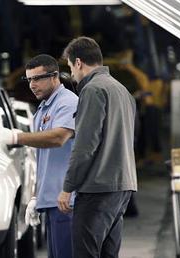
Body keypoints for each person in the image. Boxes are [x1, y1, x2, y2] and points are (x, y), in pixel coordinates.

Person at [0, 54, 78, 258]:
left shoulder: (68, 102)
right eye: (29, 79)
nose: (32, 85)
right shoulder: (43, 109)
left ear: (55, 76)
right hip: (53, 200)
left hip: (67, 202)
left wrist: (15, 136)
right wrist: (38, 196)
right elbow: (45, 160)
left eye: (37, 78)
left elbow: (59, 138)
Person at [57, 36, 138, 258]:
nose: (72, 74)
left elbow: (85, 146)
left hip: (97, 189)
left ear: (79, 62)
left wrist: (67, 187)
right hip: (122, 186)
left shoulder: (92, 90)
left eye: (70, 67)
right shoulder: (123, 91)